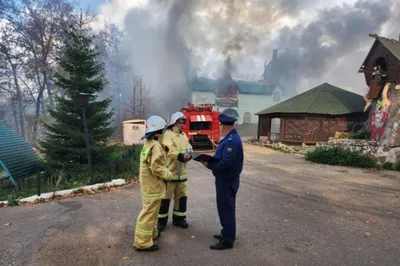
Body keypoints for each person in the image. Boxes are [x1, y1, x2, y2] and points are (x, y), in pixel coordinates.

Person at [201, 113, 243, 250]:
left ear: (224, 126)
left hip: (227, 180)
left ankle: (227, 240)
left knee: (226, 209)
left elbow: (226, 163)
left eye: (221, 125)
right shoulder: (230, 138)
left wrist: (209, 165)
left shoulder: (231, 140)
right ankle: (227, 233)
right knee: (225, 208)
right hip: (225, 179)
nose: (220, 128)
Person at [133, 115, 173, 252]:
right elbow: (156, 168)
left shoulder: (149, 143)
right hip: (154, 186)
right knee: (149, 213)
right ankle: (142, 242)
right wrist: (168, 174)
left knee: (152, 212)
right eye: (163, 129)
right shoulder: (155, 146)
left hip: (147, 185)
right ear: (159, 130)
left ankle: (152, 234)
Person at [158, 111, 193, 232]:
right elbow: (170, 152)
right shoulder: (168, 135)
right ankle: (161, 222)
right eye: (180, 122)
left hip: (182, 174)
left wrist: (190, 154)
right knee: (165, 199)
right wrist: (182, 156)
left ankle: (179, 219)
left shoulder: (184, 136)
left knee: (181, 198)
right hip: (170, 174)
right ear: (174, 123)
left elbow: (189, 148)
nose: (183, 124)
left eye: (183, 122)